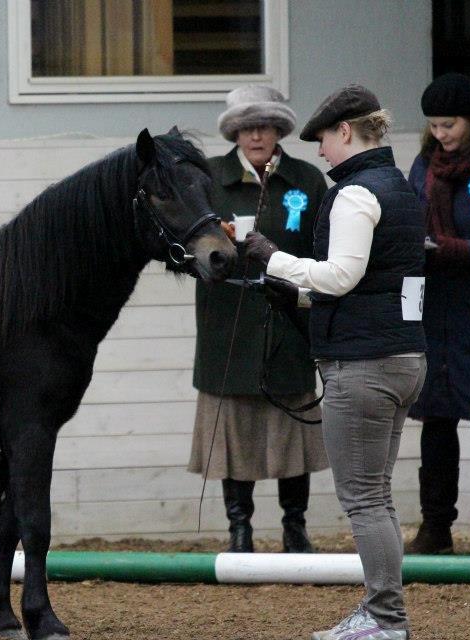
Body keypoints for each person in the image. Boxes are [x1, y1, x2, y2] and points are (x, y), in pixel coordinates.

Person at [244, 85, 426, 640]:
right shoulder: (400, 189)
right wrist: (297, 296)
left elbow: (341, 275)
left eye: (323, 139)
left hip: (363, 366)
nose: (320, 152)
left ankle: (385, 619)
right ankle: (384, 615)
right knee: (377, 495)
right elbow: (391, 284)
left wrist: (274, 260)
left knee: (364, 498)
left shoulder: (354, 194)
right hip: (403, 357)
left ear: (345, 131)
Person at [187, 85, 329, 554]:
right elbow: (189, 249)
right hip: (227, 320)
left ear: (278, 130)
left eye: (264, 126)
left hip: (288, 319)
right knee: (234, 434)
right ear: (235, 133)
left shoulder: (308, 180)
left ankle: (295, 527)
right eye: (247, 128)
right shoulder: (209, 177)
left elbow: (322, 250)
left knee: (292, 432)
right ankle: (239, 529)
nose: (255, 136)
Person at [404, 72, 470, 556]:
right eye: (434, 125)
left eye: (449, 124)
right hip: (434, 315)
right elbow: (406, 215)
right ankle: (435, 526)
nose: (441, 134)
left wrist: (461, 252)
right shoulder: (424, 167)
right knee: (436, 424)